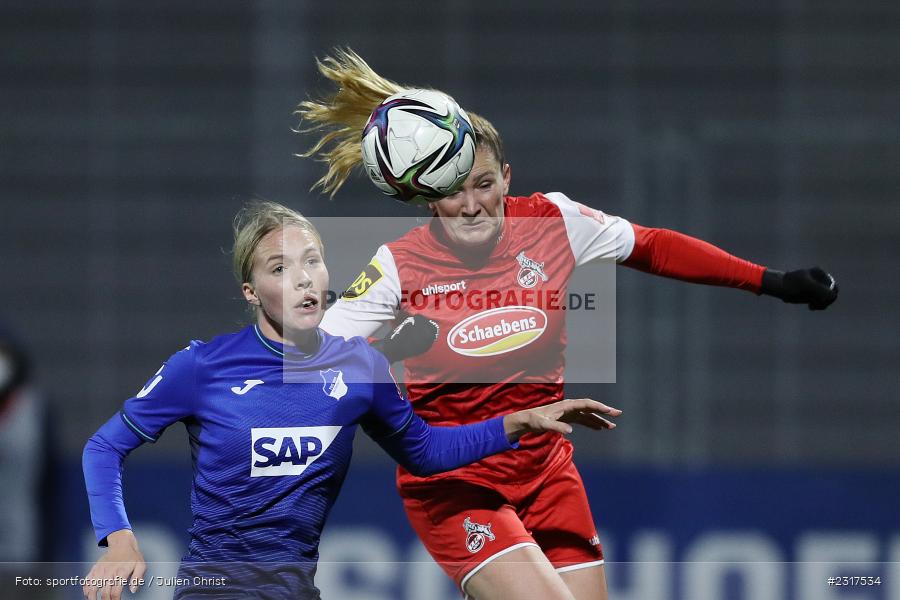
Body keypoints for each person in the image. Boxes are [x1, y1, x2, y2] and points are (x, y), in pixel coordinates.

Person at [297, 49, 839, 600]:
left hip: (547, 472)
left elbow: (650, 246)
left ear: (506, 178)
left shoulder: (553, 221)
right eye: (452, 190)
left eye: (483, 183)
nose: (471, 204)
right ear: (428, 199)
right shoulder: (398, 267)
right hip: (457, 484)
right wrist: (384, 349)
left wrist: (770, 280)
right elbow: (310, 356)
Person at [81, 201, 619, 600]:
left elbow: (426, 452)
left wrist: (520, 421)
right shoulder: (201, 367)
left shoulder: (361, 368)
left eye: (312, 261)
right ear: (251, 291)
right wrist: (118, 537)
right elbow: (103, 448)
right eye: (280, 268)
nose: (304, 279)